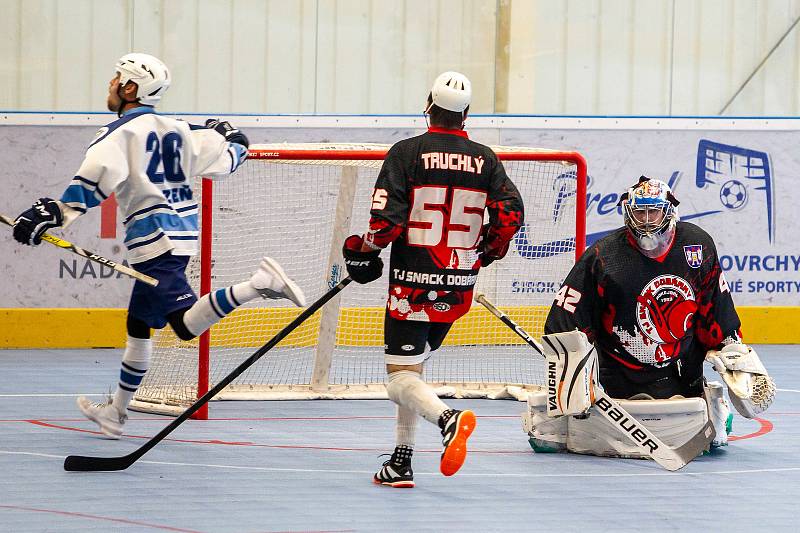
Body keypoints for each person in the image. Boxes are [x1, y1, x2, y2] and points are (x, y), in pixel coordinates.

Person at [12, 53, 306, 438]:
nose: (111, 84)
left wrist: (52, 213)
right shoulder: (182, 130)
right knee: (138, 325)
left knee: (183, 326)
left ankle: (258, 284)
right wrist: (234, 137)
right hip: (182, 236)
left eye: (117, 78)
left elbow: (91, 183)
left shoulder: (118, 134)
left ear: (130, 88)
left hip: (154, 241)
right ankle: (116, 412)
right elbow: (231, 156)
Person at [341, 71, 524, 487]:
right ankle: (401, 461)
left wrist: (362, 249)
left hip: (412, 285)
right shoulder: (486, 159)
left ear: (428, 107)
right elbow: (512, 214)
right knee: (413, 373)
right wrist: (489, 251)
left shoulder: (407, 153)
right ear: (466, 115)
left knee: (399, 379)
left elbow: (385, 223)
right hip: (458, 285)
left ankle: (448, 419)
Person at [540, 176, 774, 455]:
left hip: (681, 368)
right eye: (640, 211)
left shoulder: (697, 245)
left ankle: (711, 401)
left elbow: (715, 306)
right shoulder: (604, 256)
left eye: (654, 211)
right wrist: (572, 369)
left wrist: (731, 348)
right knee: (551, 436)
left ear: (669, 211)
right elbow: (565, 317)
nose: (647, 220)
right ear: (628, 212)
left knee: (710, 434)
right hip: (618, 372)